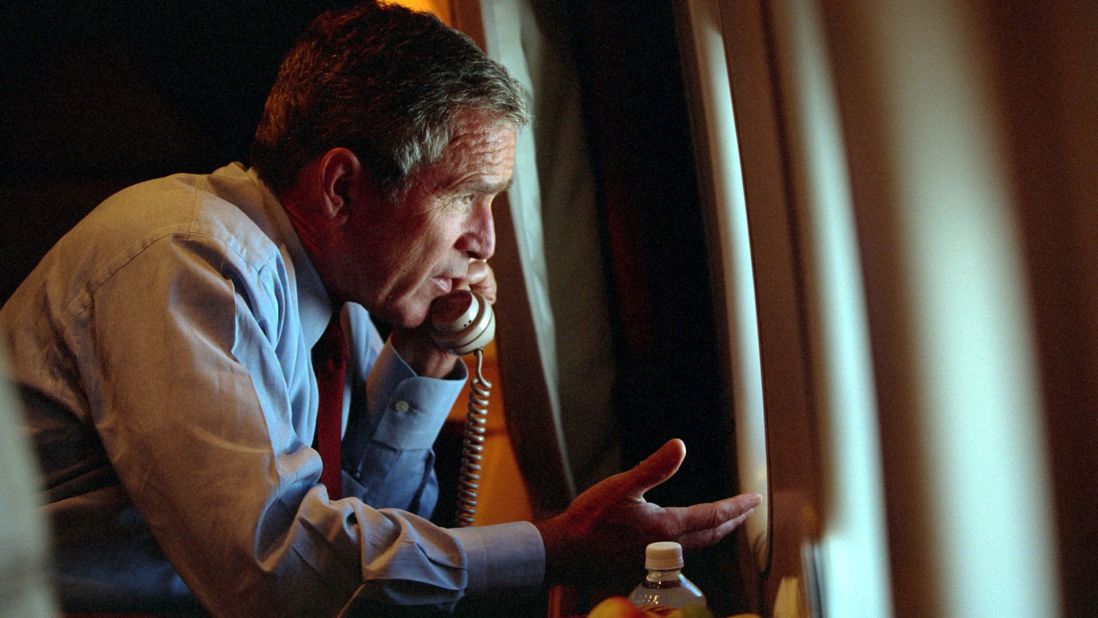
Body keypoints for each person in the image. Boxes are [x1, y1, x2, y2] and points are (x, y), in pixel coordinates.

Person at [0, 3, 761, 615]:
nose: (485, 240)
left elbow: (360, 527)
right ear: (341, 189)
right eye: (466, 197)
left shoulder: (349, 298)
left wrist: (426, 360)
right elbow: (279, 575)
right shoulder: (183, 259)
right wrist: (555, 546)